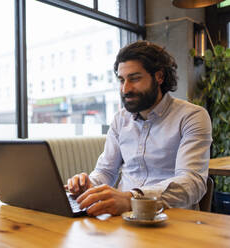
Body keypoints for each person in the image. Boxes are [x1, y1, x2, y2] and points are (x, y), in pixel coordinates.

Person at [67, 41, 212, 217]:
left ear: (159, 77)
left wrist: (132, 199)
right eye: (121, 80)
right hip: (122, 218)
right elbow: (105, 171)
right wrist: (88, 185)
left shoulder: (192, 116)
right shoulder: (120, 120)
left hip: (171, 219)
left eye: (134, 78)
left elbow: (192, 183)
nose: (125, 89)